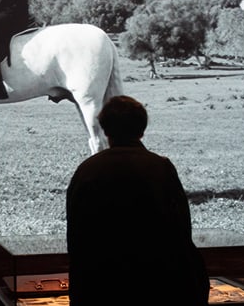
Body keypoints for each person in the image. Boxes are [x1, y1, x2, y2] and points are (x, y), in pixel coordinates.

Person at [66, 95, 209, 305]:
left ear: (105, 130)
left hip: (101, 286)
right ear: (142, 130)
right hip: (156, 284)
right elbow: (180, 230)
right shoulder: (161, 168)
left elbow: (76, 237)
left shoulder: (87, 170)